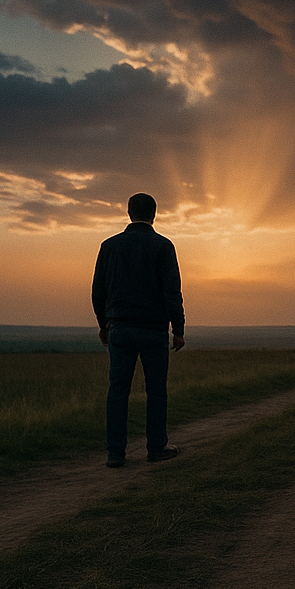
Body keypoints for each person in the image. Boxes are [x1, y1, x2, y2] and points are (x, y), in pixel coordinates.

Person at [91, 192, 185, 468]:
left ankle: (115, 453)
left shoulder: (109, 246)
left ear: (129, 213)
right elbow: (171, 292)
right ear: (154, 214)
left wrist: (103, 324)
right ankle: (156, 447)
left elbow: (98, 291)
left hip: (120, 328)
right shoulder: (163, 246)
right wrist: (178, 329)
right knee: (156, 390)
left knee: (118, 390)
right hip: (154, 330)